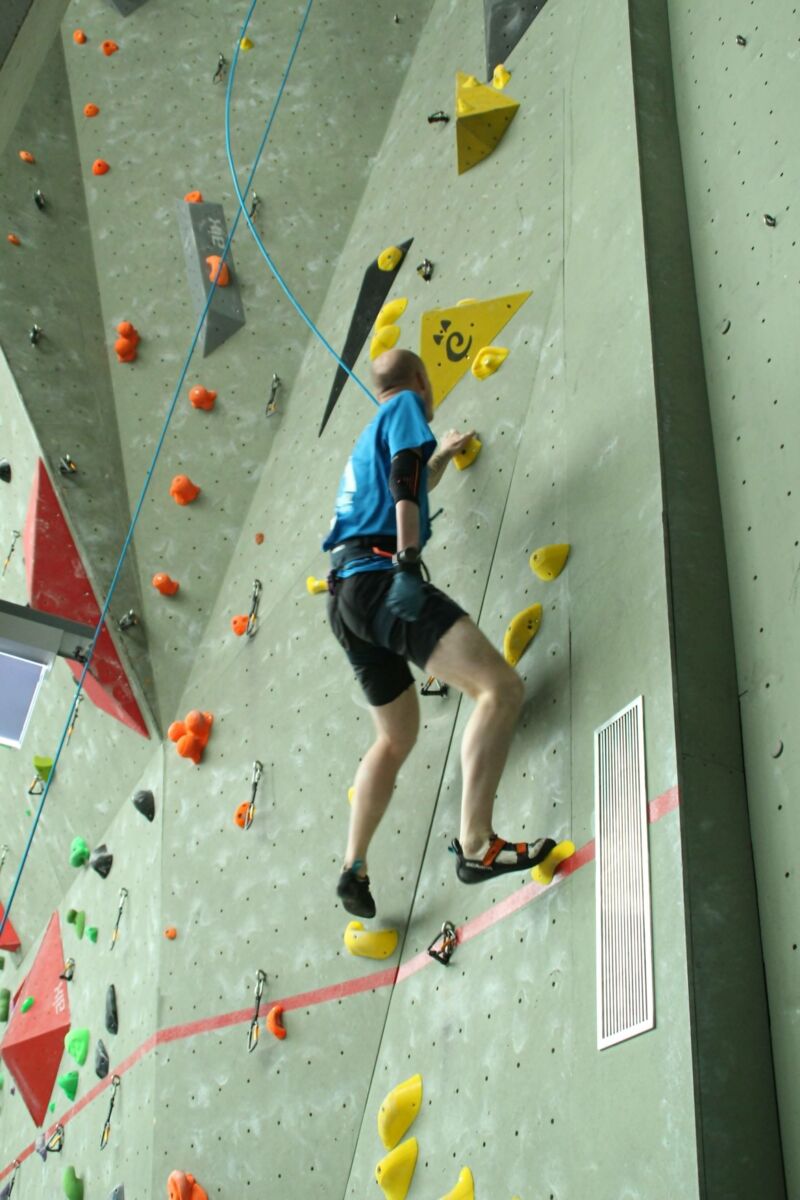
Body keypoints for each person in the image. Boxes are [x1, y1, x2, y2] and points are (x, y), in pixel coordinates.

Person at [323, 348, 554, 917]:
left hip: (345, 600)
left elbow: (411, 482)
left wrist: (444, 457)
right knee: (499, 689)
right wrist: (407, 561)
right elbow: (406, 478)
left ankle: (354, 866)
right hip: (383, 579)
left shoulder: (366, 441)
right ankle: (476, 845)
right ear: (421, 381)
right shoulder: (404, 406)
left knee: (395, 737)